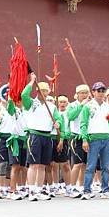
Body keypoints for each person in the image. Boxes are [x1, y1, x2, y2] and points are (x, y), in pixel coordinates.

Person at [22, 73, 63, 202]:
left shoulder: (52, 106)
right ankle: (31, 190)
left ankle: (39, 189)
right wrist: (31, 81)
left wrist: (58, 123)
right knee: (34, 164)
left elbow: (58, 119)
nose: (44, 93)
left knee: (42, 165)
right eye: (42, 90)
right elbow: (23, 95)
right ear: (37, 90)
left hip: (47, 136)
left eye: (46, 91)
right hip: (35, 135)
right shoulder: (31, 103)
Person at [80, 81, 109, 199]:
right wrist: (85, 139)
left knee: (106, 166)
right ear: (93, 92)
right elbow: (83, 124)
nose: (101, 93)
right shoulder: (88, 107)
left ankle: (105, 189)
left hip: (106, 139)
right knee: (91, 166)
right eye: (98, 91)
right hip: (93, 139)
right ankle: (87, 190)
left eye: (102, 91)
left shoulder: (108, 107)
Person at [66, 84, 90, 198]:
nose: (84, 95)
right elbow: (70, 116)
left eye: (86, 92)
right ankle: (71, 187)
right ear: (77, 94)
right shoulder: (72, 105)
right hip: (76, 137)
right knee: (77, 163)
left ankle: (81, 186)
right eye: (82, 93)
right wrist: (81, 105)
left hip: (87, 137)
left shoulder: (91, 105)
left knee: (85, 164)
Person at [50, 95, 72, 196]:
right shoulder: (53, 112)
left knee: (65, 164)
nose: (62, 104)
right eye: (60, 102)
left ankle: (68, 187)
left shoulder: (69, 113)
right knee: (53, 164)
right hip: (53, 138)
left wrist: (62, 140)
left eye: (64, 102)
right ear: (57, 103)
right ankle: (55, 185)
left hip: (64, 139)